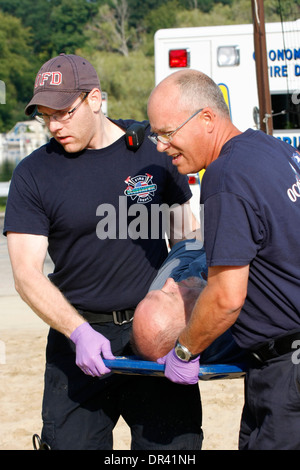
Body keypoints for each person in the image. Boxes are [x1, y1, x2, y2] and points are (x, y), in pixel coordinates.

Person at [3, 54, 202, 450]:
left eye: (64, 112)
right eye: (46, 116)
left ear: (95, 99)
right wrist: (78, 332)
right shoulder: (32, 174)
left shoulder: (152, 152)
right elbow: (26, 274)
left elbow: (187, 243)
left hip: (154, 337)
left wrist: (187, 324)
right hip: (76, 340)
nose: (54, 126)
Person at [147, 69, 300, 450]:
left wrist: (183, 351)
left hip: (286, 373)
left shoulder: (224, 177)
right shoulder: (271, 148)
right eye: (155, 135)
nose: (161, 146)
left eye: (167, 133)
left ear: (208, 119)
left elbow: (227, 297)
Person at [131, 236, 244, 365]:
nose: (170, 282)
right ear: (189, 323)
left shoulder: (169, 285)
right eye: (172, 295)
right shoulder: (242, 324)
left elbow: (191, 243)